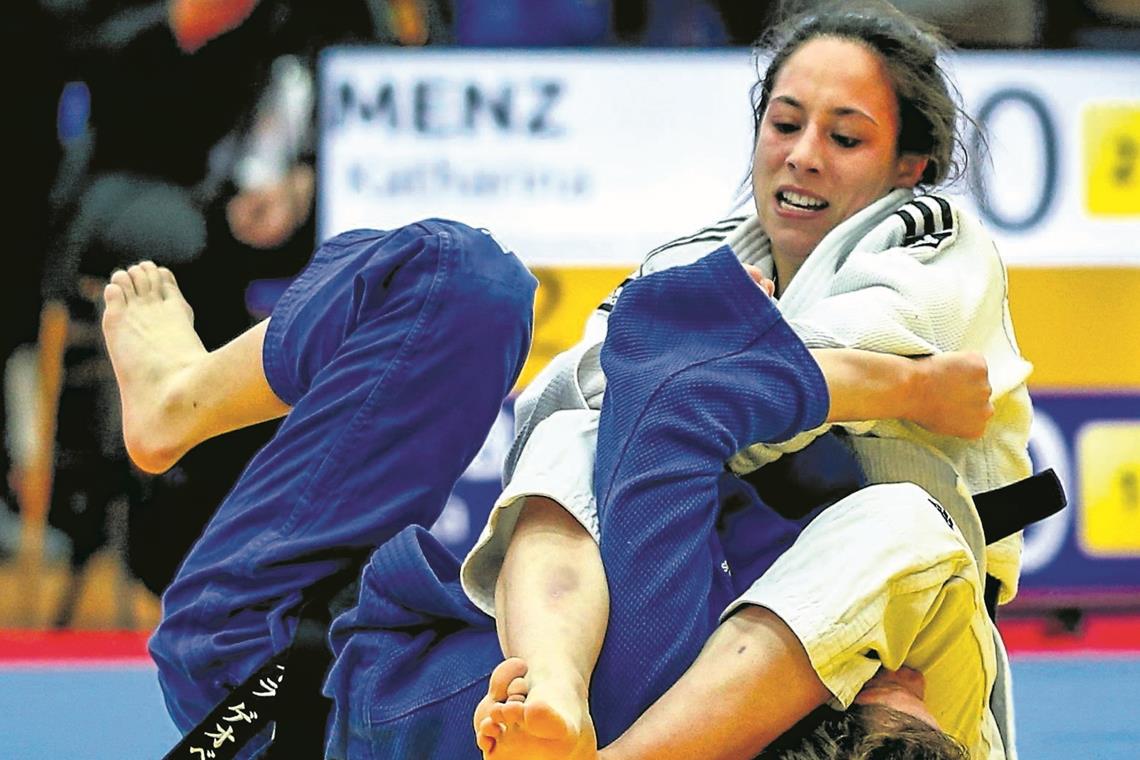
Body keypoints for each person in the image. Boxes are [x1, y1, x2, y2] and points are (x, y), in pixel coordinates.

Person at [463, 3, 1033, 759]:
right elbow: (563, 401)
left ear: (909, 166)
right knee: (570, 440)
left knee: (903, 525)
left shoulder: (937, 245)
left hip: (901, 663)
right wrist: (889, 388)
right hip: (723, 633)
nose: (803, 155)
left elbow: (718, 395)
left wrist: (690, 373)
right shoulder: (692, 261)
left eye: (846, 136)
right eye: (785, 123)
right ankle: (552, 697)